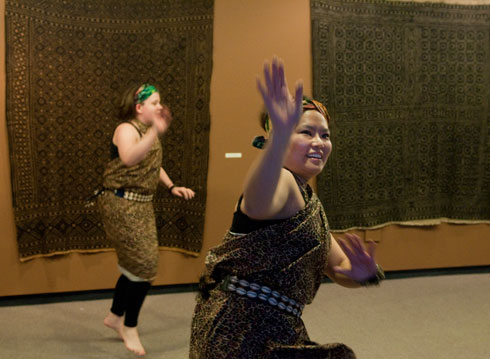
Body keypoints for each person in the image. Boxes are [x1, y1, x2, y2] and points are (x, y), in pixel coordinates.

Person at [189, 58, 384, 359]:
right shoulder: (282, 181)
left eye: (325, 135)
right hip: (237, 330)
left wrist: (363, 275)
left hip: (278, 325)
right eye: (306, 132)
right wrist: (279, 136)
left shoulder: (310, 203)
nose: (319, 142)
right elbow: (257, 200)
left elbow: (338, 267)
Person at [97, 83, 195, 356]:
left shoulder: (148, 134)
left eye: (160, 102)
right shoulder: (126, 129)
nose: (160, 107)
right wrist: (155, 132)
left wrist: (171, 186)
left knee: (135, 265)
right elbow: (129, 158)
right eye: (154, 103)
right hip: (120, 204)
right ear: (139, 108)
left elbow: (152, 162)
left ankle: (116, 316)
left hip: (141, 205)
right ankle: (129, 325)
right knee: (145, 265)